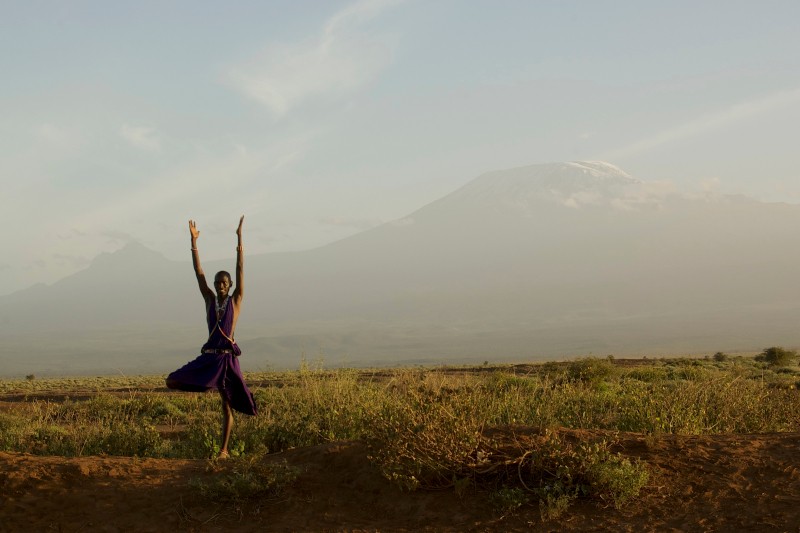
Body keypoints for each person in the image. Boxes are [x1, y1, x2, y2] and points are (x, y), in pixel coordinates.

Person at [166, 216, 257, 459]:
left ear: (230, 285)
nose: (220, 286)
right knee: (172, 381)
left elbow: (240, 268)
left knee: (227, 406)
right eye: (217, 283)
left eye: (224, 283)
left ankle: (224, 451)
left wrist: (239, 237)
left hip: (227, 362)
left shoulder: (235, 301)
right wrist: (194, 242)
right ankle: (208, 382)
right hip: (209, 359)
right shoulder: (209, 299)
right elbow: (199, 273)